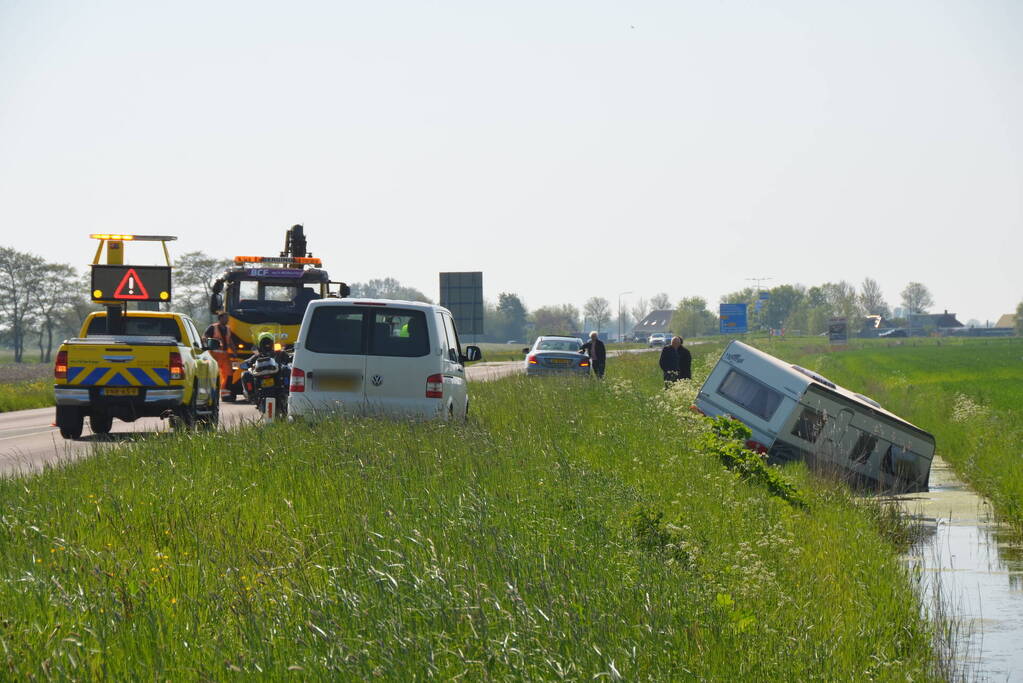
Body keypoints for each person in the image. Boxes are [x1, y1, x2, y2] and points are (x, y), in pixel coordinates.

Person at [203, 312, 237, 397]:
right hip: (214, 355)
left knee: (229, 375)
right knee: (213, 374)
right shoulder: (212, 327)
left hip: (225, 355)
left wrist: (234, 352)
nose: (227, 320)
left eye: (227, 318)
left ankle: (225, 394)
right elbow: (205, 337)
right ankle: (211, 392)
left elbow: (230, 341)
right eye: (225, 318)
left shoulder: (228, 329)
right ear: (220, 318)